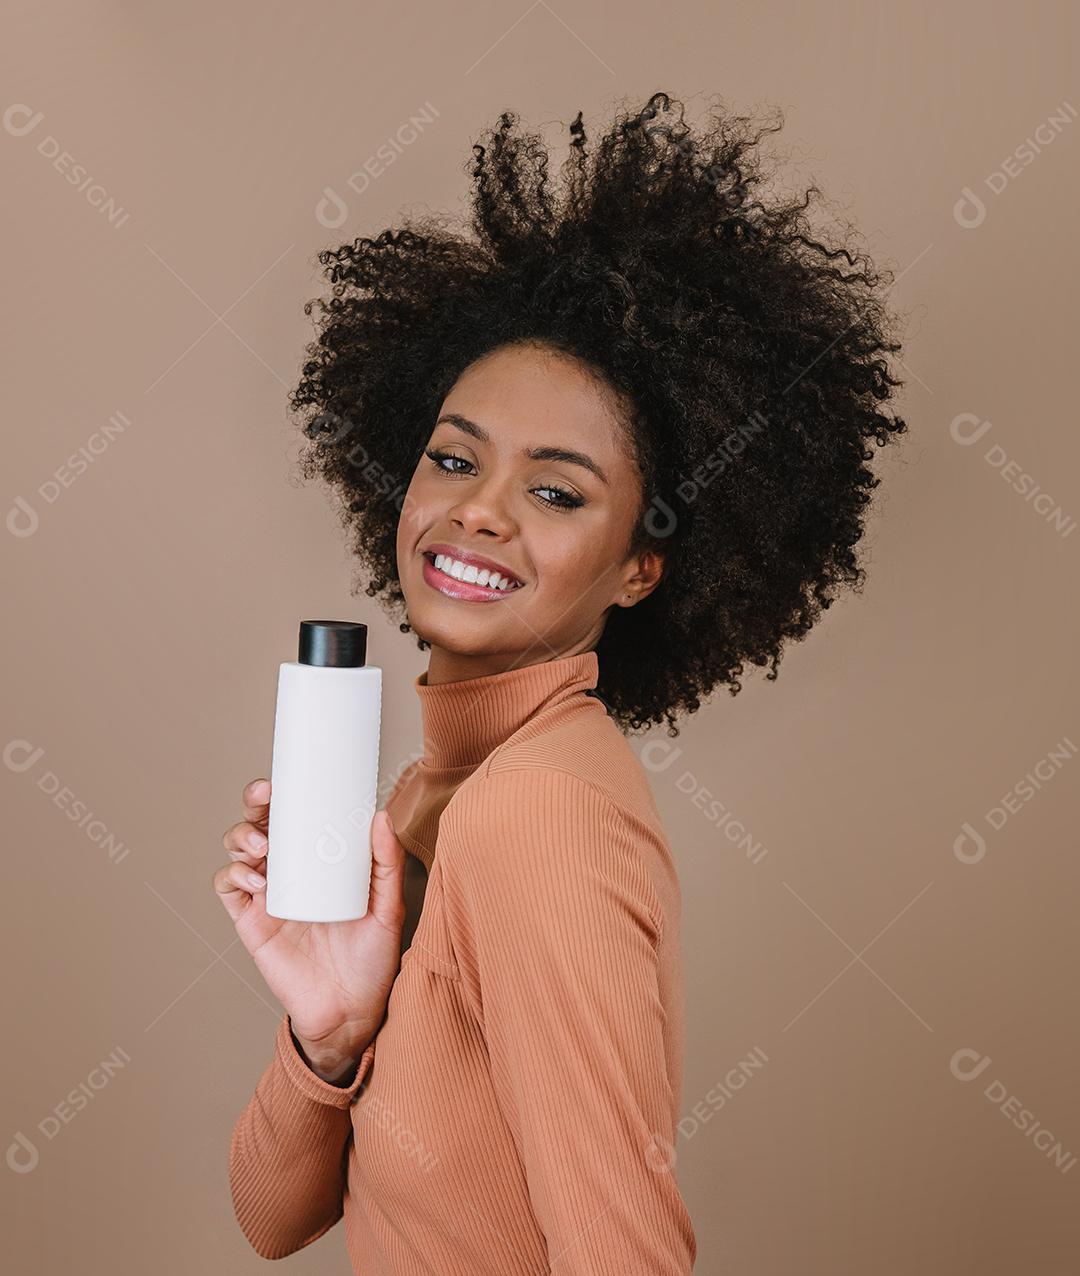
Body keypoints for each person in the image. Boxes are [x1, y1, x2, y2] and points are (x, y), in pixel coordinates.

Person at [214, 90, 907, 1273]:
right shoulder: (437, 788)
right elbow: (275, 1221)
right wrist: (332, 1033)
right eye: (452, 456)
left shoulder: (533, 810)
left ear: (642, 567)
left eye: (556, 489)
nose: (476, 509)